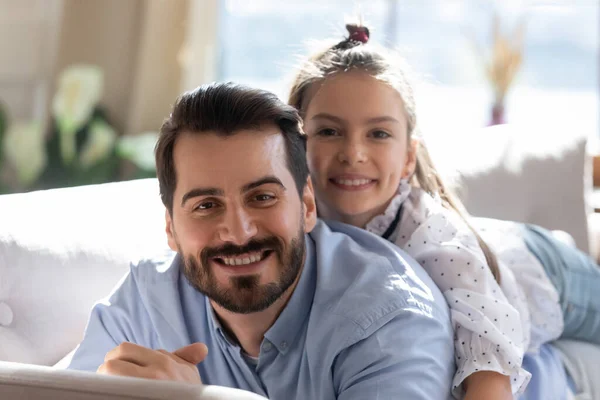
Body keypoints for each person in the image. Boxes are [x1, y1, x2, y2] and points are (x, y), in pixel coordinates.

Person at [66, 82, 456, 399]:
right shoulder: (146, 302)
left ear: (306, 205)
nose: (239, 232)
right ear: (170, 228)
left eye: (263, 197)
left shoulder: (390, 321)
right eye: (206, 206)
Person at [288, 23, 600, 400]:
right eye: (329, 132)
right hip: (495, 241)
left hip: (549, 276)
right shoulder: (294, 220)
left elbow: (489, 368)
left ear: (408, 158)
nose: (353, 153)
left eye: (379, 134)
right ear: (294, 144)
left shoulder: (432, 239)